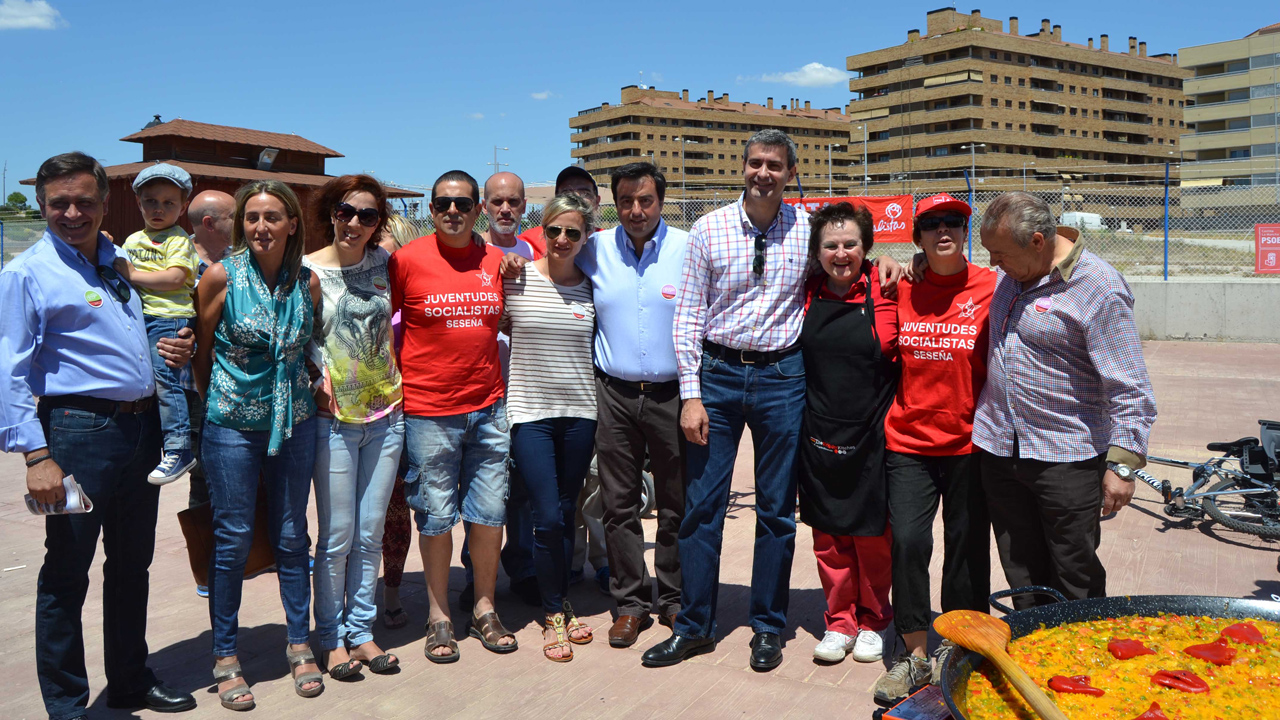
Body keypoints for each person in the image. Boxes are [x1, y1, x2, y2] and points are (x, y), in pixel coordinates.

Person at [0, 152, 197, 718]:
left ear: (104, 203)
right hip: (73, 435)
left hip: (141, 429)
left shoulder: (114, 263)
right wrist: (37, 454)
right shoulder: (27, 273)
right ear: (40, 205)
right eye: (59, 202)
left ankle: (131, 680)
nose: (72, 212)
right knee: (65, 573)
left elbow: (135, 336)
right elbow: (9, 368)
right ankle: (67, 706)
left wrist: (175, 350)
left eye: (85, 201)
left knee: (131, 565)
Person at [647, 129, 813, 671]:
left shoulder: (807, 230)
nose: (763, 173)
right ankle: (694, 626)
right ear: (743, 168)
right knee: (702, 508)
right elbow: (690, 315)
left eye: (774, 165)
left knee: (776, 511)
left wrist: (890, 266)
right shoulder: (709, 229)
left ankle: (768, 626)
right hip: (716, 377)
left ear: (791, 172)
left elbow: (848, 270)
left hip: (782, 377)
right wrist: (691, 397)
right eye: (755, 163)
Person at [973, 191, 1157, 610]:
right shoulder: (1015, 272)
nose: (991, 264)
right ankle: (1034, 651)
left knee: (1073, 571)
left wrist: (1123, 467)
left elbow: (1130, 387)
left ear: (1038, 241)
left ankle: (1079, 662)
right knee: (1020, 568)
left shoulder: (1099, 288)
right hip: (1001, 451)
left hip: (1066, 460)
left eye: (998, 254)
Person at [193, 180, 323, 709]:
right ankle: (225, 656)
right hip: (230, 426)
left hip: (295, 422)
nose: (261, 227)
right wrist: (223, 404)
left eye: (272, 217)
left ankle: (298, 642)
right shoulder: (222, 276)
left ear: (293, 223)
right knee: (233, 539)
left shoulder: (307, 283)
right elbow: (201, 354)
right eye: (252, 218)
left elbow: (309, 349)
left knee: (294, 535)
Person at [388, 170, 516, 663]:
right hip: (428, 412)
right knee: (436, 516)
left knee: (489, 514)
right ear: (432, 208)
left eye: (463, 203)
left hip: (488, 407)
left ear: (478, 208)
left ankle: (485, 607)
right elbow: (382, 328)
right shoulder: (406, 261)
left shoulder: (498, 261)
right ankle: (438, 616)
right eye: (443, 203)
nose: (452, 211)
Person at [873, 194, 996, 702]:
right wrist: (887, 260)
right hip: (909, 441)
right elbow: (841, 262)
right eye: (931, 224)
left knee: (966, 551)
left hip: (970, 443)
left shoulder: (993, 285)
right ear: (917, 236)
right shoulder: (902, 283)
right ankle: (915, 654)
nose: (943, 230)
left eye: (954, 222)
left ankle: (956, 646)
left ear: (966, 231)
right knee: (908, 543)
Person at [583, 162, 688, 647]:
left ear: (660, 201)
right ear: (614, 203)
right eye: (626, 201)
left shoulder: (689, 248)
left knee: (675, 504)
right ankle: (630, 603)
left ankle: (672, 599)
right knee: (618, 505)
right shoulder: (595, 249)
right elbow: (548, 263)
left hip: (673, 396)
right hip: (616, 395)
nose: (636, 210)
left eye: (645, 200)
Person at [304, 174, 403, 679]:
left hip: (387, 414)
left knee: (369, 535)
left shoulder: (387, 264)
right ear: (331, 214)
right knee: (337, 536)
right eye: (347, 212)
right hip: (334, 421)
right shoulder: (306, 271)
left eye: (368, 215)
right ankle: (329, 637)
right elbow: (295, 340)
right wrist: (311, 380)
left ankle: (361, 633)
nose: (356, 223)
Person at [796, 202, 899, 667]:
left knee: (873, 537)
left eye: (851, 244)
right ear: (817, 253)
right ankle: (839, 622)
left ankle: (876, 621)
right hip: (818, 432)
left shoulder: (889, 287)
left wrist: (896, 261)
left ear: (867, 248)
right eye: (831, 245)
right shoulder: (804, 292)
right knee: (829, 538)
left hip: (874, 435)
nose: (841, 253)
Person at [503, 193, 599, 661]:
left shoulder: (592, 287)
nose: (562, 239)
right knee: (545, 514)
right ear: (541, 232)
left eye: (573, 232)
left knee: (565, 512)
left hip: (580, 413)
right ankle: (551, 615)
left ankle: (563, 602)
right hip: (530, 415)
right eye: (555, 230)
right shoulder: (516, 279)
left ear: (586, 238)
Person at [458, 171, 541, 611]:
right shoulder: (470, 254)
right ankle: (477, 575)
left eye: (513, 201)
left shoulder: (538, 252)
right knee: (480, 488)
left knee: (523, 490)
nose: (505, 209)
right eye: (496, 202)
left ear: (525, 205)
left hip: (527, 391)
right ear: (482, 207)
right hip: (482, 392)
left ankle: (524, 568)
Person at [113, 163, 200, 484]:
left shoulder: (178, 240)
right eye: (151, 201)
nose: (159, 209)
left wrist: (133, 274)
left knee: (167, 381)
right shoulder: (134, 240)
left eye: (169, 203)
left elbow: (176, 277)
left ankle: (179, 449)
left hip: (167, 318)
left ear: (183, 206)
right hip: (139, 318)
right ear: (138, 202)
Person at [181, 189, 236, 598]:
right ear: (210, 223)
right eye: (238, 216)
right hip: (194, 388)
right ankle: (208, 560)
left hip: (241, 387)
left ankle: (256, 550)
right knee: (204, 475)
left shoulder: (237, 264)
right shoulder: (180, 266)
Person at [377, 213, 421, 630]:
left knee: (397, 511)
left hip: (408, 414)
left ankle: (391, 592)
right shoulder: (362, 288)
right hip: (363, 415)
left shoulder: (413, 292)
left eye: (383, 234)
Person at [520, 165, 601, 255]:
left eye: (585, 193)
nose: (576, 198)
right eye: (566, 193)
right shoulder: (528, 242)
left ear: (597, 201)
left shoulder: (609, 243)